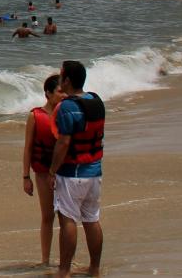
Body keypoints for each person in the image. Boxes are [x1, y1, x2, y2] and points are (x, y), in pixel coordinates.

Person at [49, 61, 105, 278]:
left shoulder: (67, 107)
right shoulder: (96, 101)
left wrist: (53, 170)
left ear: (68, 80)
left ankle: (64, 271)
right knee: (92, 219)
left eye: (62, 75)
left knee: (67, 220)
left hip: (72, 174)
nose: (60, 79)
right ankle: (95, 268)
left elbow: (63, 143)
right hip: (95, 172)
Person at [24, 74, 66, 266]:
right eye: (59, 91)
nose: (63, 95)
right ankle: (45, 260)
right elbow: (28, 148)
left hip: (64, 173)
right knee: (48, 216)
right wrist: (26, 177)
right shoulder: (35, 115)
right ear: (48, 93)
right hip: (42, 173)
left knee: (67, 217)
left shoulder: (66, 113)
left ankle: (66, 259)